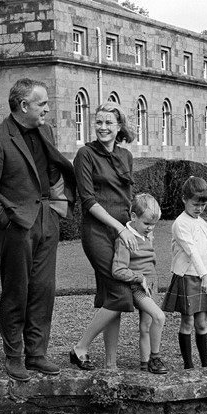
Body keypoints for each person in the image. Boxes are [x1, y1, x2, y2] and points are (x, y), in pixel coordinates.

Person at [0, 78, 76, 382]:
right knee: (17, 291)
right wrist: (7, 222)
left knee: (44, 289)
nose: (47, 108)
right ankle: (14, 356)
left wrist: (58, 206)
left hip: (47, 219)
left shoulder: (46, 131)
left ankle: (37, 353)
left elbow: (53, 170)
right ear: (23, 105)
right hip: (17, 227)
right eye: (42, 103)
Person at [70, 102, 137, 371]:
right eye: (98, 122)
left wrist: (133, 227)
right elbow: (88, 201)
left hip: (122, 232)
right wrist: (119, 227)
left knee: (112, 296)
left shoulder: (125, 156)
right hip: (97, 231)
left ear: (119, 126)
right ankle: (80, 347)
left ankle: (111, 364)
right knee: (121, 294)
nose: (102, 127)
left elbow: (127, 198)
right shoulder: (85, 154)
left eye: (109, 122)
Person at [162, 176, 207, 369]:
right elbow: (192, 251)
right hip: (188, 276)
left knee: (202, 323)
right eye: (196, 204)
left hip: (205, 277)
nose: (199, 209)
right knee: (187, 321)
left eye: (203, 205)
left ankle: (206, 366)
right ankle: (188, 367)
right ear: (184, 199)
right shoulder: (180, 224)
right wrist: (205, 276)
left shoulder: (206, 222)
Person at [112, 193, 168, 374]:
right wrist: (139, 277)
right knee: (159, 317)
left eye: (153, 225)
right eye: (147, 224)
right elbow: (118, 270)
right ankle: (155, 358)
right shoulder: (125, 239)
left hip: (152, 284)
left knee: (146, 326)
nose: (150, 228)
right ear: (134, 217)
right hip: (138, 287)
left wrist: (150, 280)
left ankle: (144, 365)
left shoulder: (146, 235)